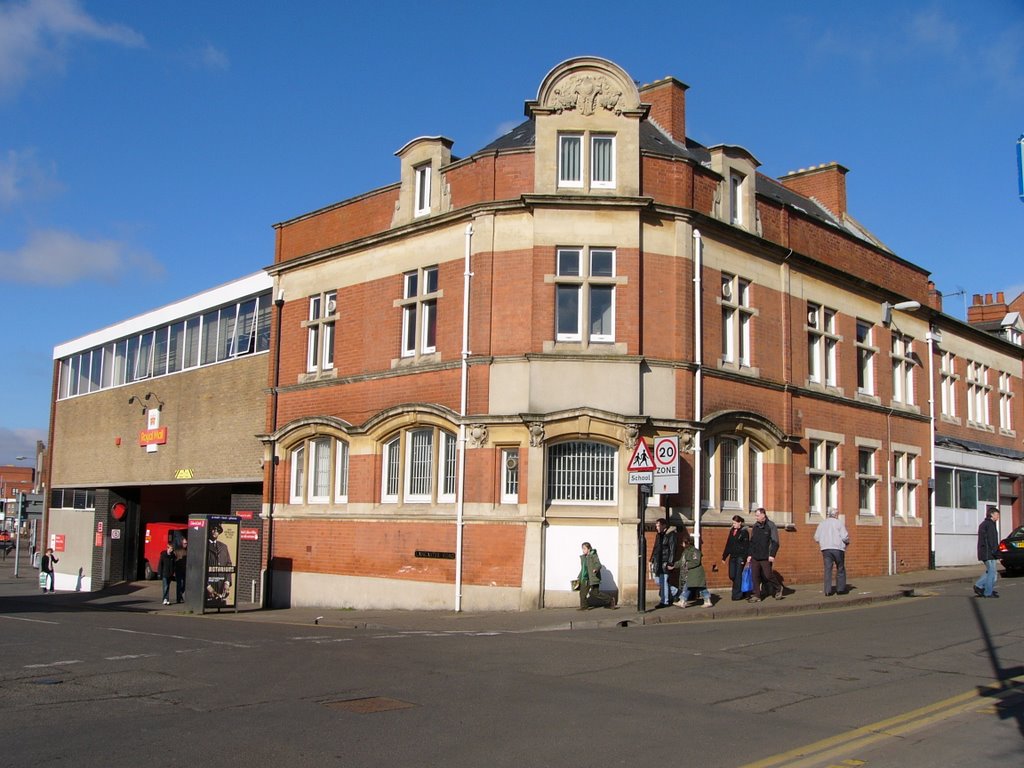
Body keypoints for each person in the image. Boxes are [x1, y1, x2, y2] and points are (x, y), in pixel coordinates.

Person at [746, 507, 782, 602]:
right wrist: (750, 555)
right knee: (755, 576)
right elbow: (752, 542)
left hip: (766, 556)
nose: (756, 517)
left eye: (757, 515)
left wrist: (772, 555)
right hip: (755, 556)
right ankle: (757, 595)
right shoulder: (755, 526)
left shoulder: (771, 526)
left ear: (763, 515)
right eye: (756, 516)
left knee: (768, 575)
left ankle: (778, 588)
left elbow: (775, 542)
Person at [814, 508, 850, 596]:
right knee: (840, 568)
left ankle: (827, 590)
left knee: (827, 569)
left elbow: (816, 537)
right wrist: (847, 542)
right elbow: (845, 537)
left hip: (826, 549)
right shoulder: (839, 523)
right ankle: (840, 589)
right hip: (838, 548)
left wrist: (823, 542)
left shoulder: (822, 524)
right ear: (836, 515)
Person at [677, 532, 712, 608]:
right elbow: (681, 561)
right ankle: (707, 600)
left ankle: (682, 601)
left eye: (683, 542)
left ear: (687, 542)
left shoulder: (695, 551)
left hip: (696, 573)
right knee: (699, 587)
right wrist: (673, 565)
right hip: (691, 573)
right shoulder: (685, 552)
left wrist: (686, 565)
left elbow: (696, 562)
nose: (682, 544)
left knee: (695, 586)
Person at [650, 518, 679, 607]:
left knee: (664, 581)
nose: (657, 527)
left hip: (665, 561)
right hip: (658, 561)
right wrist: (651, 559)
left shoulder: (671, 535)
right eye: (656, 525)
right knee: (658, 581)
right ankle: (676, 591)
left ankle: (664, 601)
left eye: (658, 525)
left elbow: (672, 549)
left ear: (664, 526)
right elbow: (656, 547)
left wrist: (670, 562)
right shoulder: (659, 535)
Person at [577, 542, 615, 610]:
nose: (583, 550)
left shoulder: (593, 555)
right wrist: (579, 577)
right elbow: (583, 569)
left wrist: (596, 569)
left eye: (584, 548)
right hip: (586, 578)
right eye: (582, 549)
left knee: (595, 593)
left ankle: (610, 600)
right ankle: (584, 606)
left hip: (593, 577)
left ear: (588, 549)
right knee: (582, 592)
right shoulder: (583, 558)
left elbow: (598, 564)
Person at [721, 515, 750, 601]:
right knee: (732, 575)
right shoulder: (732, 531)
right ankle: (741, 590)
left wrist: (744, 558)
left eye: (735, 523)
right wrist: (724, 556)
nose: (733, 525)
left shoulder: (744, 532)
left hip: (740, 557)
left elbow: (746, 546)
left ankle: (737, 595)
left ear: (739, 523)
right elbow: (729, 543)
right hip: (732, 556)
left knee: (738, 576)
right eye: (733, 523)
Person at [974, 506, 1000, 599]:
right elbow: (991, 540)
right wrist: (995, 552)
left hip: (986, 551)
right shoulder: (989, 525)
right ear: (991, 515)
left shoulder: (986, 524)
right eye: (997, 515)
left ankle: (979, 585)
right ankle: (988, 592)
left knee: (991, 572)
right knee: (992, 573)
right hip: (988, 552)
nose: (998, 517)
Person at [206, 522, 233, 605]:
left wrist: (227, 583)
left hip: (221, 589)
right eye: (213, 529)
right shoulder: (204, 545)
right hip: (208, 588)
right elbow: (199, 567)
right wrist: (207, 586)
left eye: (217, 530)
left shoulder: (223, 547)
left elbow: (228, 564)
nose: (215, 532)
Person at [173, 537, 187, 603]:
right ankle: (178, 598)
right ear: (182, 543)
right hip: (178, 570)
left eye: (186, 543)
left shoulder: (187, 550)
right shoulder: (177, 550)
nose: (186, 544)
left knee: (184, 584)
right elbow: (174, 559)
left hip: (184, 570)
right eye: (184, 543)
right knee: (179, 584)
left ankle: (181, 596)